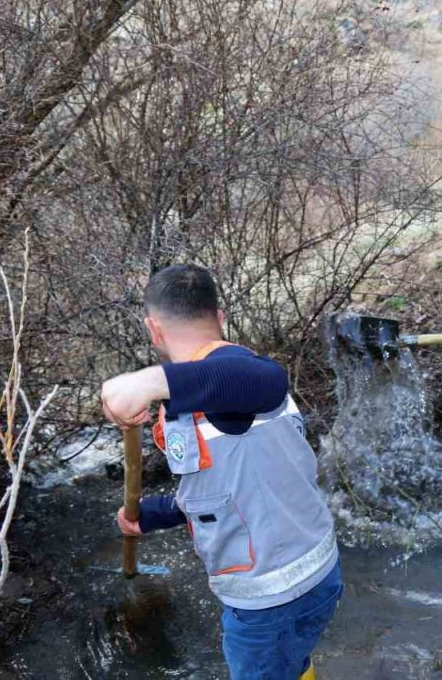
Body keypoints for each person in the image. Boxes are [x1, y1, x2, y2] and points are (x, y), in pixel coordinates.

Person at [101, 265, 339, 680]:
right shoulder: (203, 392)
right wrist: (153, 513)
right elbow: (226, 484)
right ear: (220, 316)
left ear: (154, 330)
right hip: (316, 575)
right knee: (293, 663)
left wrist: (148, 381)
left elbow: (268, 380)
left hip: (270, 596)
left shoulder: (236, 375)